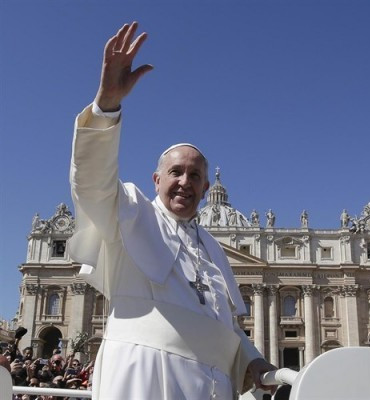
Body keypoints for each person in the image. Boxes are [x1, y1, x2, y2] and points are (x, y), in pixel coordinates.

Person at [68, 21, 276, 399]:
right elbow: (92, 182)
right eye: (176, 172)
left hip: (211, 383)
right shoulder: (130, 214)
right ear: (156, 180)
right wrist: (106, 106)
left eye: (195, 175)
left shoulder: (215, 250)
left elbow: (222, 325)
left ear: (206, 188)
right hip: (143, 376)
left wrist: (253, 360)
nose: (185, 182)